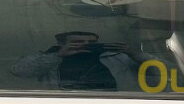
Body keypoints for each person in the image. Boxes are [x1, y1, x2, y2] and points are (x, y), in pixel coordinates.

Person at [11, 30, 146, 92]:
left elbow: (160, 70)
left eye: (91, 42)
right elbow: (20, 71)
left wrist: (135, 54)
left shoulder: (115, 57)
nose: (85, 44)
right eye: (78, 42)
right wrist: (58, 55)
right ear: (60, 43)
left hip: (113, 102)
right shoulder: (47, 57)